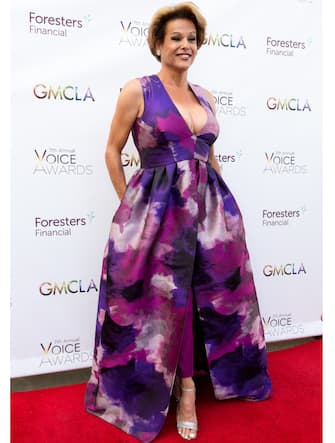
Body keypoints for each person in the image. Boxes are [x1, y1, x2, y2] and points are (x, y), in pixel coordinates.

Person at [85, 2, 272, 442]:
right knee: (168, 301)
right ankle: (183, 391)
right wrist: (128, 205)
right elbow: (112, 150)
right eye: (176, 38)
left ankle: (203, 379)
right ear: (158, 44)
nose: (185, 45)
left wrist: (227, 208)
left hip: (210, 210)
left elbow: (207, 154)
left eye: (191, 38)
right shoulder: (138, 90)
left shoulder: (205, 95)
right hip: (157, 211)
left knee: (206, 293)